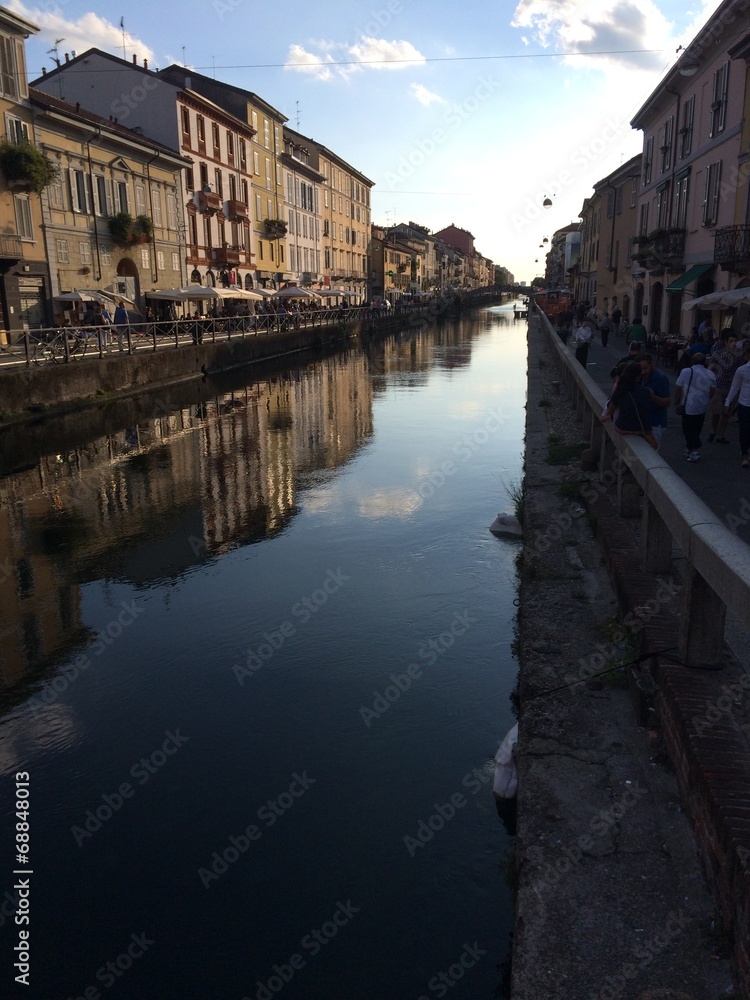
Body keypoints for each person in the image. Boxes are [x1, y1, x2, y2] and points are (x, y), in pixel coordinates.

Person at [674, 353, 716, 462]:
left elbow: (679, 388)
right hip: (701, 406)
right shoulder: (710, 374)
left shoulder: (686, 372)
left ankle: (692, 449)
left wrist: (676, 401)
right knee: (697, 429)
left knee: (687, 429)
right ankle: (691, 449)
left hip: (688, 405)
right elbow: (712, 391)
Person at [601, 362, 654, 443]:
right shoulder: (647, 391)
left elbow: (610, 411)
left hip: (622, 428)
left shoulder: (620, 390)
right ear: (638, 376)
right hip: (643, 429)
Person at [708, 331, 740, 443]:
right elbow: (710, 368)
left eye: (735, 341)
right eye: (731, 341)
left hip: (731, 387)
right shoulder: (718, 354)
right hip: (718, 386)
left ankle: (720, 435)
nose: (734, 343)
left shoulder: (738, 356)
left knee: (726, 413)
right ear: (726, 342)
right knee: (716, 411)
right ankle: (713, 430)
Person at [724, 344, 750, 467]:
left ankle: (746, 449)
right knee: (744, 430)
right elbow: (734, 387)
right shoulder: (742, 370)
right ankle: (745, 454)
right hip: (744, 404)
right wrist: (727, 402)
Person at [638, 353, 671, 447]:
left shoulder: (660, 379)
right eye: (640, 369)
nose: (643, 372)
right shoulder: (641, 378)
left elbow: (667, 402)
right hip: (644, 423)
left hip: (656, 423)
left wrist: (652, 397)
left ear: (651, 364)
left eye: (645, 368)